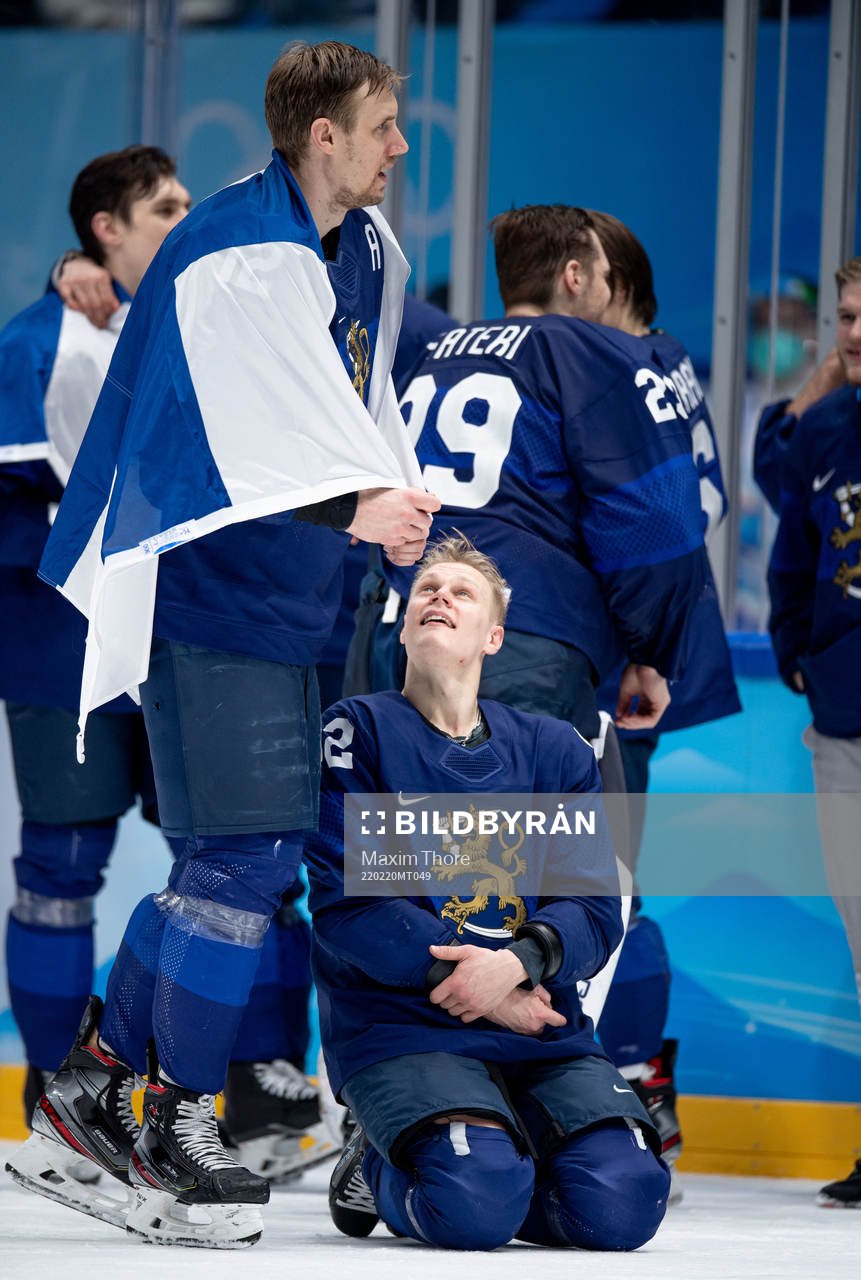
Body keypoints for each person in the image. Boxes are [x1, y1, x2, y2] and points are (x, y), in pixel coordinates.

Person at [7, 40, 438, 1249]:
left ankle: (98, 1082)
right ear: (324, 135)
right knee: (240, 865)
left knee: (224, 866)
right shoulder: (243, 252)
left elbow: (364, 403)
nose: (402, 146)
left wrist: (393, 504)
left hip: (302, 603)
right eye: (386, 125)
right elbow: (236, 445)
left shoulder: (363, 247)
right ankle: (177, 1122)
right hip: (216, 599)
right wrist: (359, 507)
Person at [305, 535, 671, 1251]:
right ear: (405, 625)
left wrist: (518, 967)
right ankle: (379, 1163)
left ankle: (500, 1157)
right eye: (425, 591)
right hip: (402, 1025)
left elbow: (593, 908)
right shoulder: (359, 731)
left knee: (624, 1204)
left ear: (493, 636)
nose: (438, 596)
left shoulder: (554, 749)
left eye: (460, 592)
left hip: (535, 1022)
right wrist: (477, 983)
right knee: (470, 1206)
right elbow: (352, 910)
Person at [0, 146, 190, 1129]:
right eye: (164, 208)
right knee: (64, 863)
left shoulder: (182, 327)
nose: (186, 219)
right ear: (104, 230)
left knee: (225, 861)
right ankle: (54, 1090)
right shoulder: (40, 345)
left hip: (187, 641)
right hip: (64, 647)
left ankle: (226, 1081)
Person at [585, 210, 741, 1190]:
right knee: (608, 873)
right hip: (635, 651)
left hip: (615, 659)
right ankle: (635, 1080)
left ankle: (634, 1081)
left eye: (579, 269)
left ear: (615, 279)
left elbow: (673, 516)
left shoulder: (625, 370)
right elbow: (709, 502)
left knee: (608, 879)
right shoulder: (667, 361)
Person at [767, 254, 861, 1209]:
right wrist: (797, 645)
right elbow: (792, 549)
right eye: (843, 315)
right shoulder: (822, 427)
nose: (853, 332)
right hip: (842, 719)